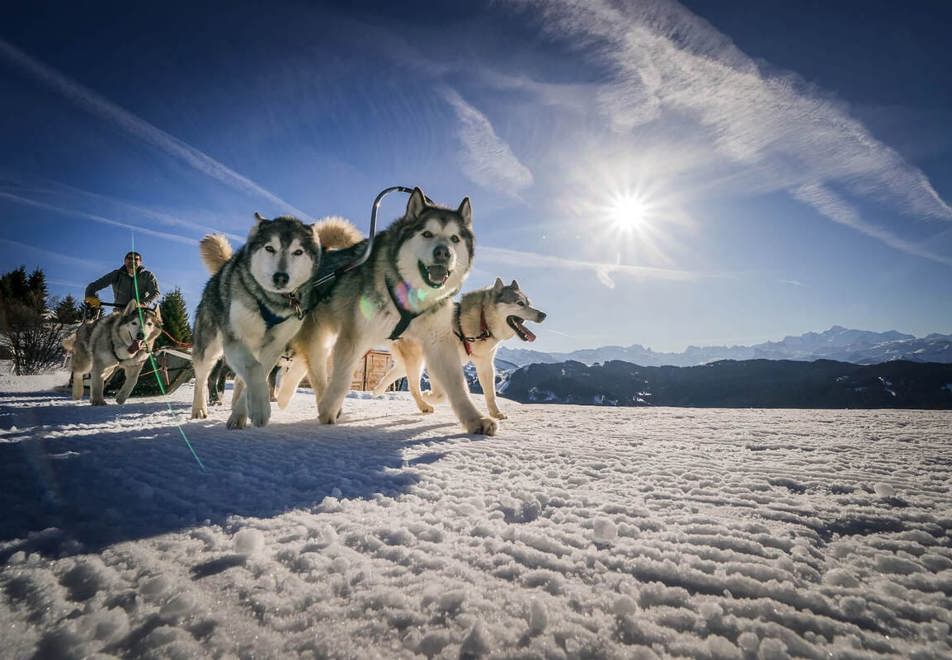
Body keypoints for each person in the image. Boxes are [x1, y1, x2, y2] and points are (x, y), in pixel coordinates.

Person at [84, 251, 161, 312]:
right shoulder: (116, 274)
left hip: (139, 312)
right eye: (129, 258)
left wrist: (142, 304)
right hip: (120, 312)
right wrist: (90, 297)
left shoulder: (147, 275)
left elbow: (155, 292)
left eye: (136, 259)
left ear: (140, 262)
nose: (132, 261)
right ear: (124, 261)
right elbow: (93, 286)